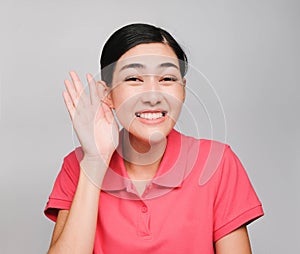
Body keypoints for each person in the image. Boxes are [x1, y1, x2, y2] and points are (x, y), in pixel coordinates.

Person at [44, 23, 264, 254]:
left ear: (184, 89)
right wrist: (95, 162)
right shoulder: (77, 165)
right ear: (106, 94)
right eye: (133, 79)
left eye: (167, 79)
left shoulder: (217, 163)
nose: (152, 96)